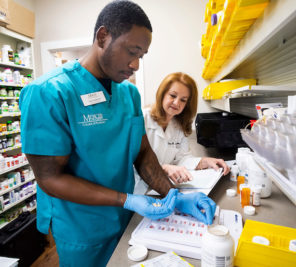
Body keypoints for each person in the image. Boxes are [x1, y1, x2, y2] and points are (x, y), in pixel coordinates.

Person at [20, 1, 216, 266]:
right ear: (103, 37)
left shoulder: (128, 93)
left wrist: (175, 196)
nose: (135, 64)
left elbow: (143, 152)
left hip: (125, 218)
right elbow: (50, 179)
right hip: (82, 227)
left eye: (142, 56)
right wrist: (127, 199)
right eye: (132, 51)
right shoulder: (49, 93)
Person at [135, 72, 229, 193]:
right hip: (139, 190)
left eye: (183, 100)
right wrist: (164, 168)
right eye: (173, 96)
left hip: (162, 188)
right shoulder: (142, 119)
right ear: (162, 94)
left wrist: (204, 162)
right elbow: (131, 163)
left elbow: (182, 158)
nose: (176, 103)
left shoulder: (177, 125)